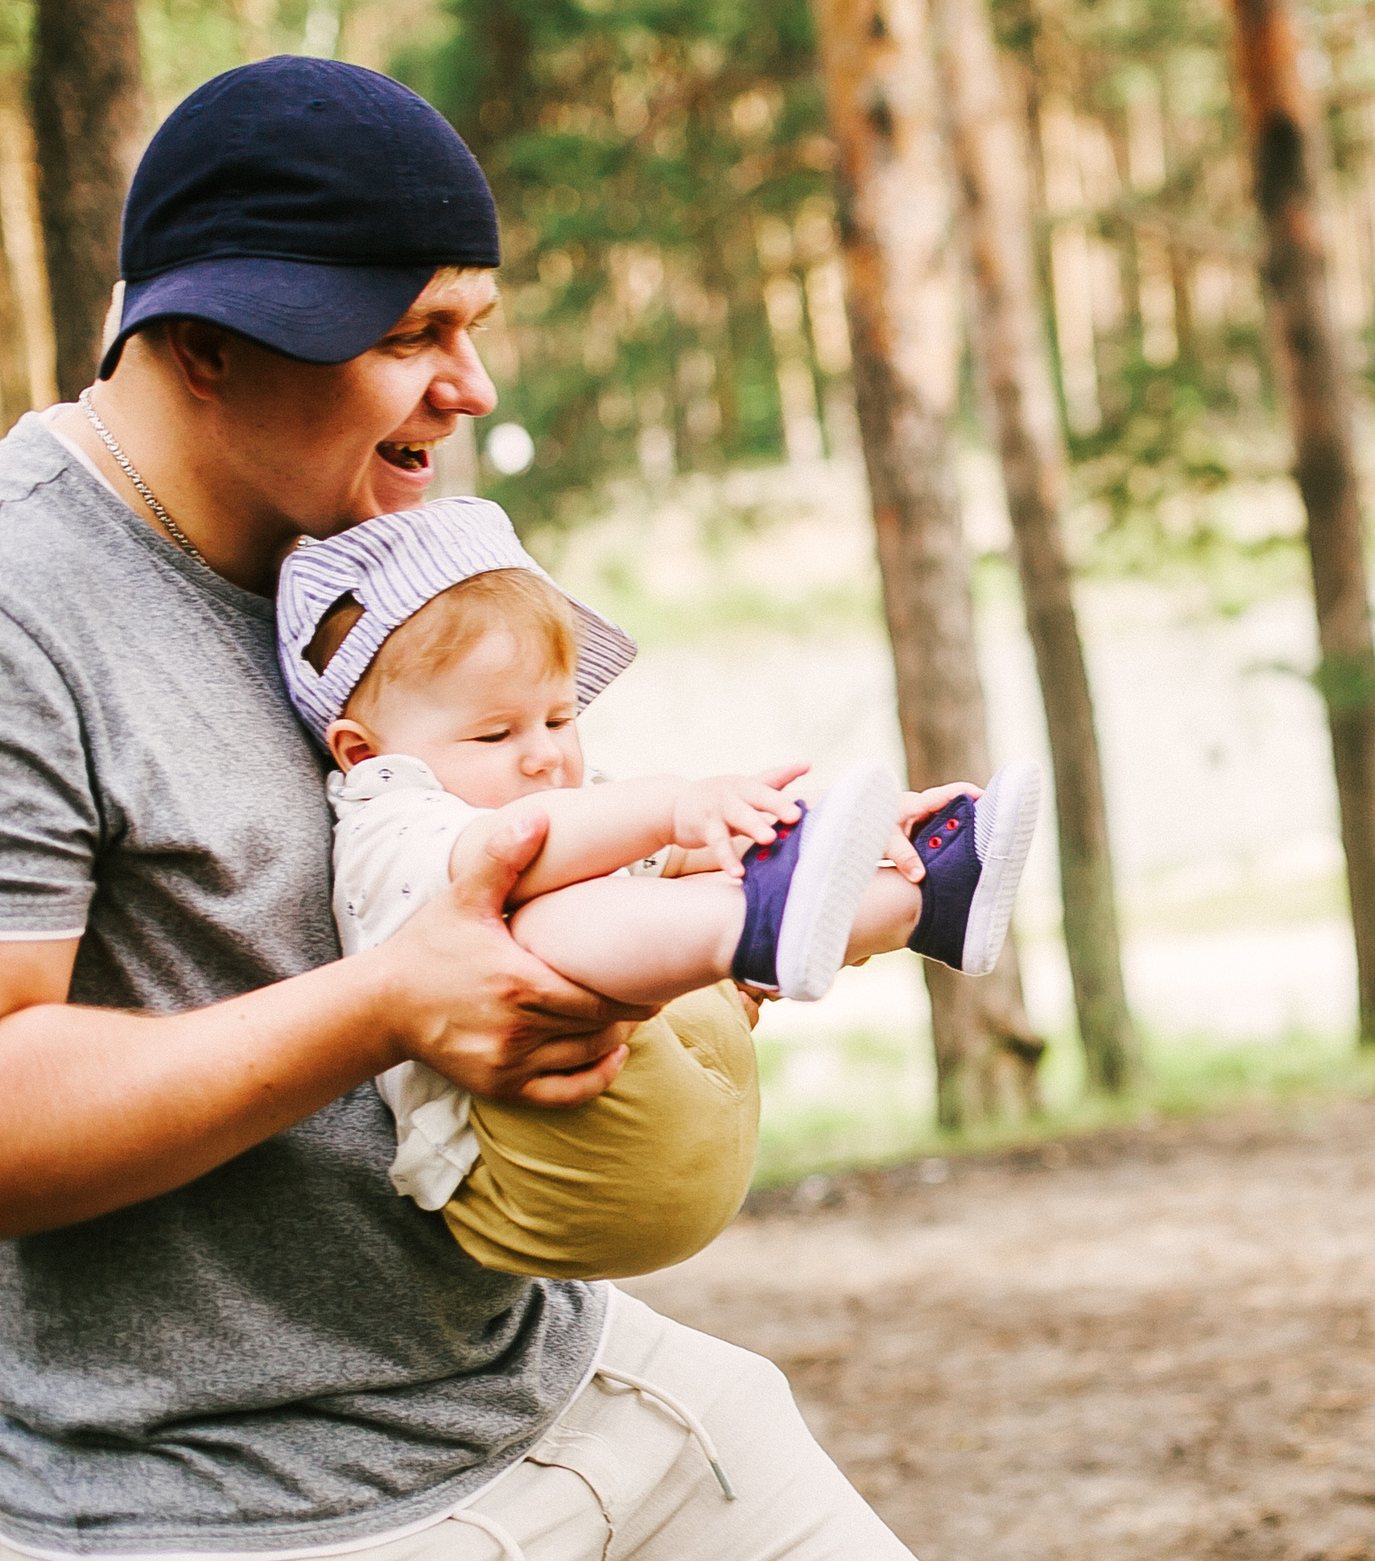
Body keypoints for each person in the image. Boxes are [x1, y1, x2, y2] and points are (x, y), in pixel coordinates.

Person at [0, 57, 1009, 1561]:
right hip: (263, 1538)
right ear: (204, 345)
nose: (470, 385)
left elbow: (482, 874)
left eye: (471, 321)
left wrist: (668, 950)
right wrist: (391, 1003)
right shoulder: (22, 601)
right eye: (412, 334)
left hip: (574, 1394)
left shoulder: (373, 548)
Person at [275, 495, 1043, 1280]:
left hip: (681, 1144)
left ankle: (924, 901)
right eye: (496, 733)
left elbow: (673, 858)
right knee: (540, 924)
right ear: (365, 753)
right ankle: (765, 929)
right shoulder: (387, 822)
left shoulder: (567, 804)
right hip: (528, 1182)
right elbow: (524, 847)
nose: (543, 755)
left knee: (682, 873)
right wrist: (678, 805)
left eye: (558, 718)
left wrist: (828, 830)